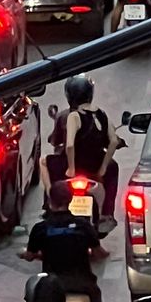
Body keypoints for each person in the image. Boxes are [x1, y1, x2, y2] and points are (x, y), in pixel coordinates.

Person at [23, 188, 126, 302]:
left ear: (50, 202)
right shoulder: (83, 226)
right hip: (83, 285)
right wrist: (105, 254)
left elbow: (30, 255)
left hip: (52, 288)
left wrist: (35, 255)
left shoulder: (41, 229)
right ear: (70, 201)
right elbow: (98, 253)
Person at [49, 74, 124, 222]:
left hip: (72, 165)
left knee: (46, 163)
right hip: (95, 165)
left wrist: (71, 168)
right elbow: (114, 141)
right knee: (113, 167)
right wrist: (103, 168)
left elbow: (66, 144)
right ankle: (107, 213)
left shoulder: (69, 116)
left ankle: (51, 204)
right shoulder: (101, 114)